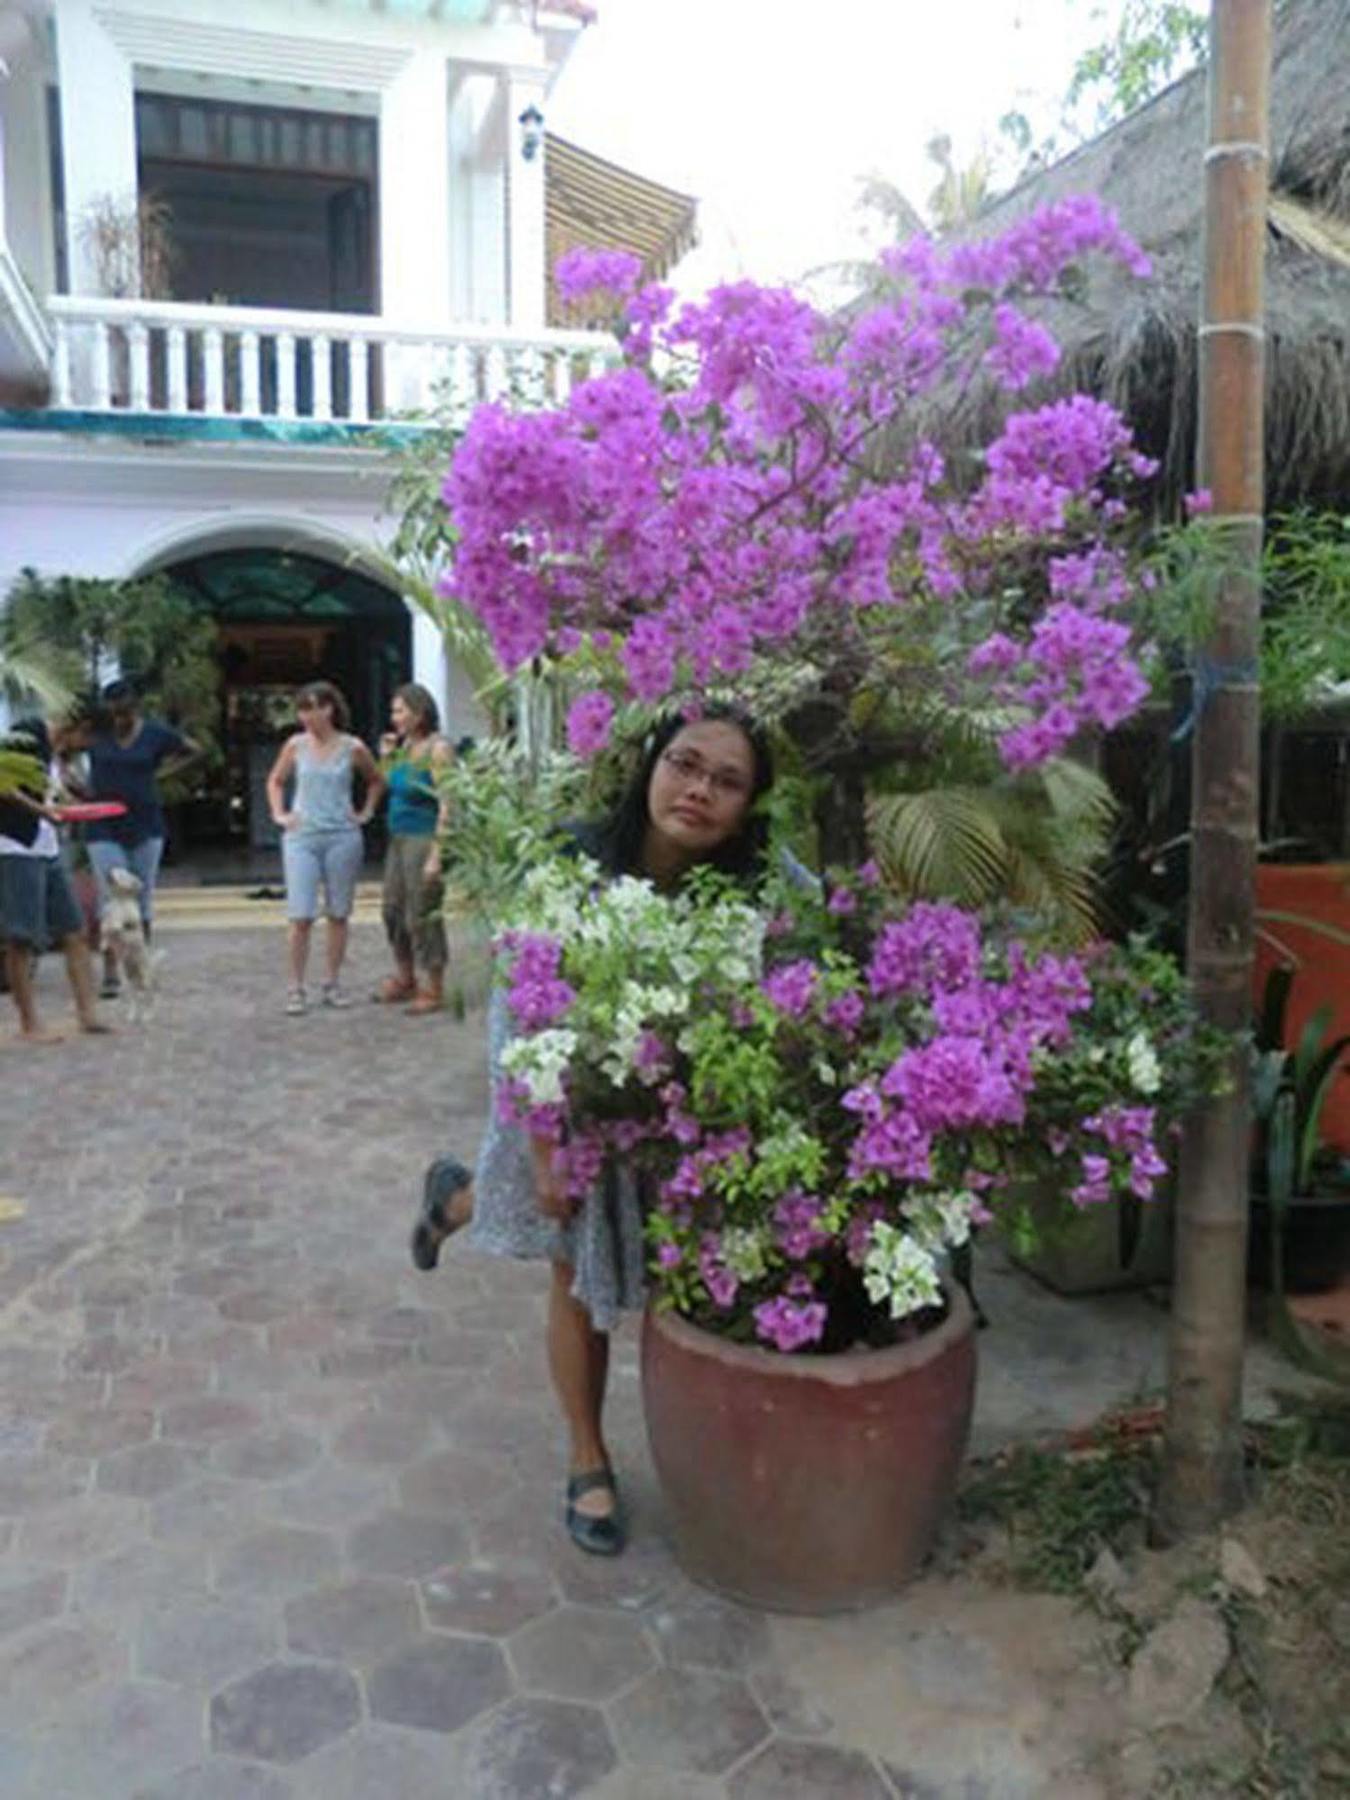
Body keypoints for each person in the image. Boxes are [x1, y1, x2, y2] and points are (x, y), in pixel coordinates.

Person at [410, 706, 776, 1557]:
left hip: (682, 1127)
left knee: (653, 1274)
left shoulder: (759, 888)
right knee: (576, 1271)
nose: (699, 791)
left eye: (728, 781)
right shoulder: (571, 862)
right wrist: (547, 1145)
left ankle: (451, 1200)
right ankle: (588, 1457)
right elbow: (520, 1013)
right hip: (572, 1110)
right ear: (650, 762)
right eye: (685, 764)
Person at [265, 680, 385, 1016]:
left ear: (329, 709)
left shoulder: (352, 747)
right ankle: (295, 987)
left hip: (341, 835)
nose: (307, 716)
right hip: (303, 835)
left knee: (338, 912)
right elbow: (275, 779)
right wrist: (279, 813)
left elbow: (376, 779)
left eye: (313, 708)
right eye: (302, 709)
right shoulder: (295, 745)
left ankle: (332, 982)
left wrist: (366, 811)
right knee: (300, 914)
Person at [87, 678, 203, 999]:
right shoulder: (96, 733)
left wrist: (161, 774)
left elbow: (195, 750)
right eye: (114, 713)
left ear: (136, 707)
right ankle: (110, 972)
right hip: (103, 824)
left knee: (141, 898)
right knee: (111, 898)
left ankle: (141, 968)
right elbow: (62, 748)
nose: (119, 720)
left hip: (145, 823)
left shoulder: (155, 734)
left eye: (124, 712)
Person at [0, 713, 110, 1043]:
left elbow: (47, 792)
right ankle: (29, 1023)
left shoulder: (53, 753)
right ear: (79, 728)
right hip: (16, 846)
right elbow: (4, 784)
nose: (82, 750)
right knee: (22, 937)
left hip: (46, 847)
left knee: (74, 929)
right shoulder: (26, 735)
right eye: (85, 743)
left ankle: (87, 1013)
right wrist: (42, 812)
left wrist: (65, 804)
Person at [375, 683, 453, 1015]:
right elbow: (389, 786)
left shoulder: (438, 749)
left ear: (420, 712)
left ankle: (432, 985)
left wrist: (438, 852)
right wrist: (387, 757)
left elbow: (449, 802)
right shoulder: (404, 747)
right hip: (398, 837)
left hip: (423, 838)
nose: (395, 718)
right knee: (392, 910)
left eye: (400, 711)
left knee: (421, 912)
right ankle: (405, 976)